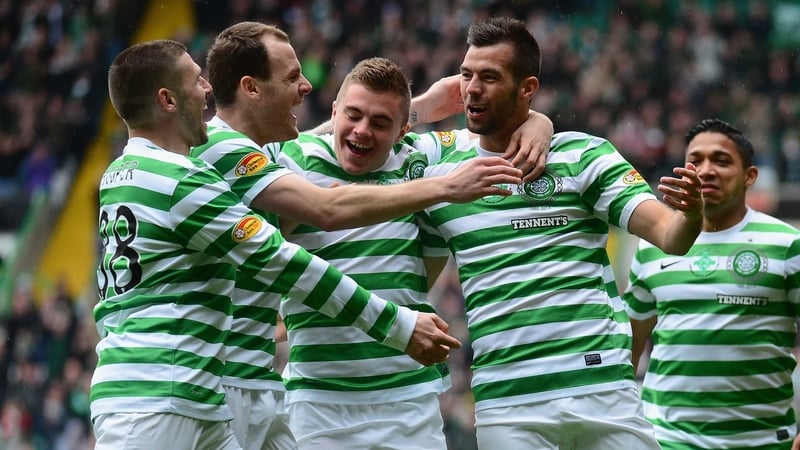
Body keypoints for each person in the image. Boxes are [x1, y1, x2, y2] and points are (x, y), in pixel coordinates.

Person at [190, 22, 549, 450]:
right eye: (353, 116)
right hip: (317, 400)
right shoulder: (285, 158)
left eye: (381, 123)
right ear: (335, 110)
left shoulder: (419, 159)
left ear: (402, 133)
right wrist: (425, 125)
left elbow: (495, 134)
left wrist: (538, 122)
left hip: (408, 400)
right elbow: (323, 205)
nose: (362, 131)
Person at [92, 39, 462, 450]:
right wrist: (400, 325)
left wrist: (414, 111)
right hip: (177, 387)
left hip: (228, 385)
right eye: (291, 77)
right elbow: (317, 219)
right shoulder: (200, 163)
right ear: (251, 88)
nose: (305, 86)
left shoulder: (136, 169)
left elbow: (312, 140)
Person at [410, 17, 705, 449]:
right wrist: (424, 106)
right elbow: (332, 145)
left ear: (527, 88)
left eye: (489, 77)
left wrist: (692, 213)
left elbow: (672, 236)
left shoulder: (583, 154)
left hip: (603, 389)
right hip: (507, 403)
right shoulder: (438, 160)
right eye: (467, 75)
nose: (472, 88)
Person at [623, 118, 800, 450]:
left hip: (763, 441)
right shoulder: (652, 247)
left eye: (721, 160)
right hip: (666, 440)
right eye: (695, 160)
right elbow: (630, 346)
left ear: (750, 176)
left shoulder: (787, 243)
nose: (705, 170)